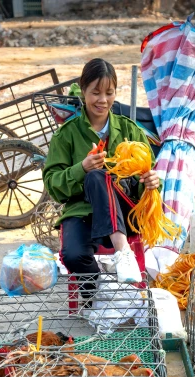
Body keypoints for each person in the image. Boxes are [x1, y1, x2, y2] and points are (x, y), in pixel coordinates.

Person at [43, 58, 160, 286]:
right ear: (83, 89)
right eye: (96, 92)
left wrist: (152, 181)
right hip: (82, 210)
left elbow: (149, 171)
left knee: (99, 176)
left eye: (109, 92)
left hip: (125, 210)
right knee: (73, 255)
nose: (103, 100)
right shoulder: (66, 135)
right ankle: (95, 296)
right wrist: (81, 168)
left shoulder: (129, 130)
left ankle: (123, 252)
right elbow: (53, 185)